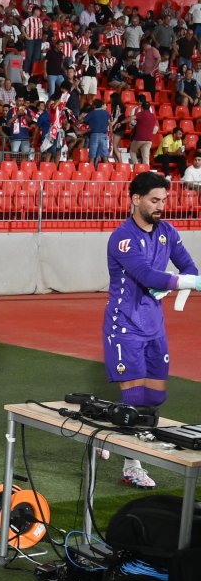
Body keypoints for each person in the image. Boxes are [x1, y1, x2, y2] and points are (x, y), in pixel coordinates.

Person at [104, 172, 201, 488]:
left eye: (164, 200)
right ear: (136, 199)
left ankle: (112, 431)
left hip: (155, 327)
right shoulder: (122, 237)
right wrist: (175, 283)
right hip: (125, 327)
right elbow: (146, 274)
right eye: (154, 200)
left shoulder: (168, 232)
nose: (161, 206)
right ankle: (132, 465)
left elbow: (190, 268)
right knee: (134, 398)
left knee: (155, 398)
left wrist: (173, 289)